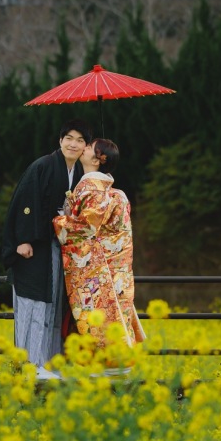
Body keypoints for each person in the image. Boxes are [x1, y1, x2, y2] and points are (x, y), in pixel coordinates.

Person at [2, 120, 92, 379]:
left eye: (79, 140)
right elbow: (24, 203)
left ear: (85, 146)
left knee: (55, 305)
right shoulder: (42, 166)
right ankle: (30, 364)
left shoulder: (78, 173)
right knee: (34, 304)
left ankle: (50, 362)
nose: (73, 144)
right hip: (34, 247)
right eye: (69, 138)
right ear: (60, 140)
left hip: (57, 246)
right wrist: (23, 239)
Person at [52, 137, 146, 356]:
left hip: (99, 268)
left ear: (97, 159)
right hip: (115, 268)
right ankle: (118, 362)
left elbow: (84, 228)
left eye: (88, 146)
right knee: (114, 313)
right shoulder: (109, 191)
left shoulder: (93, 190)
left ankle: (107, 363)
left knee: (99, 316)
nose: (82, 148)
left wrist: (59, 221)